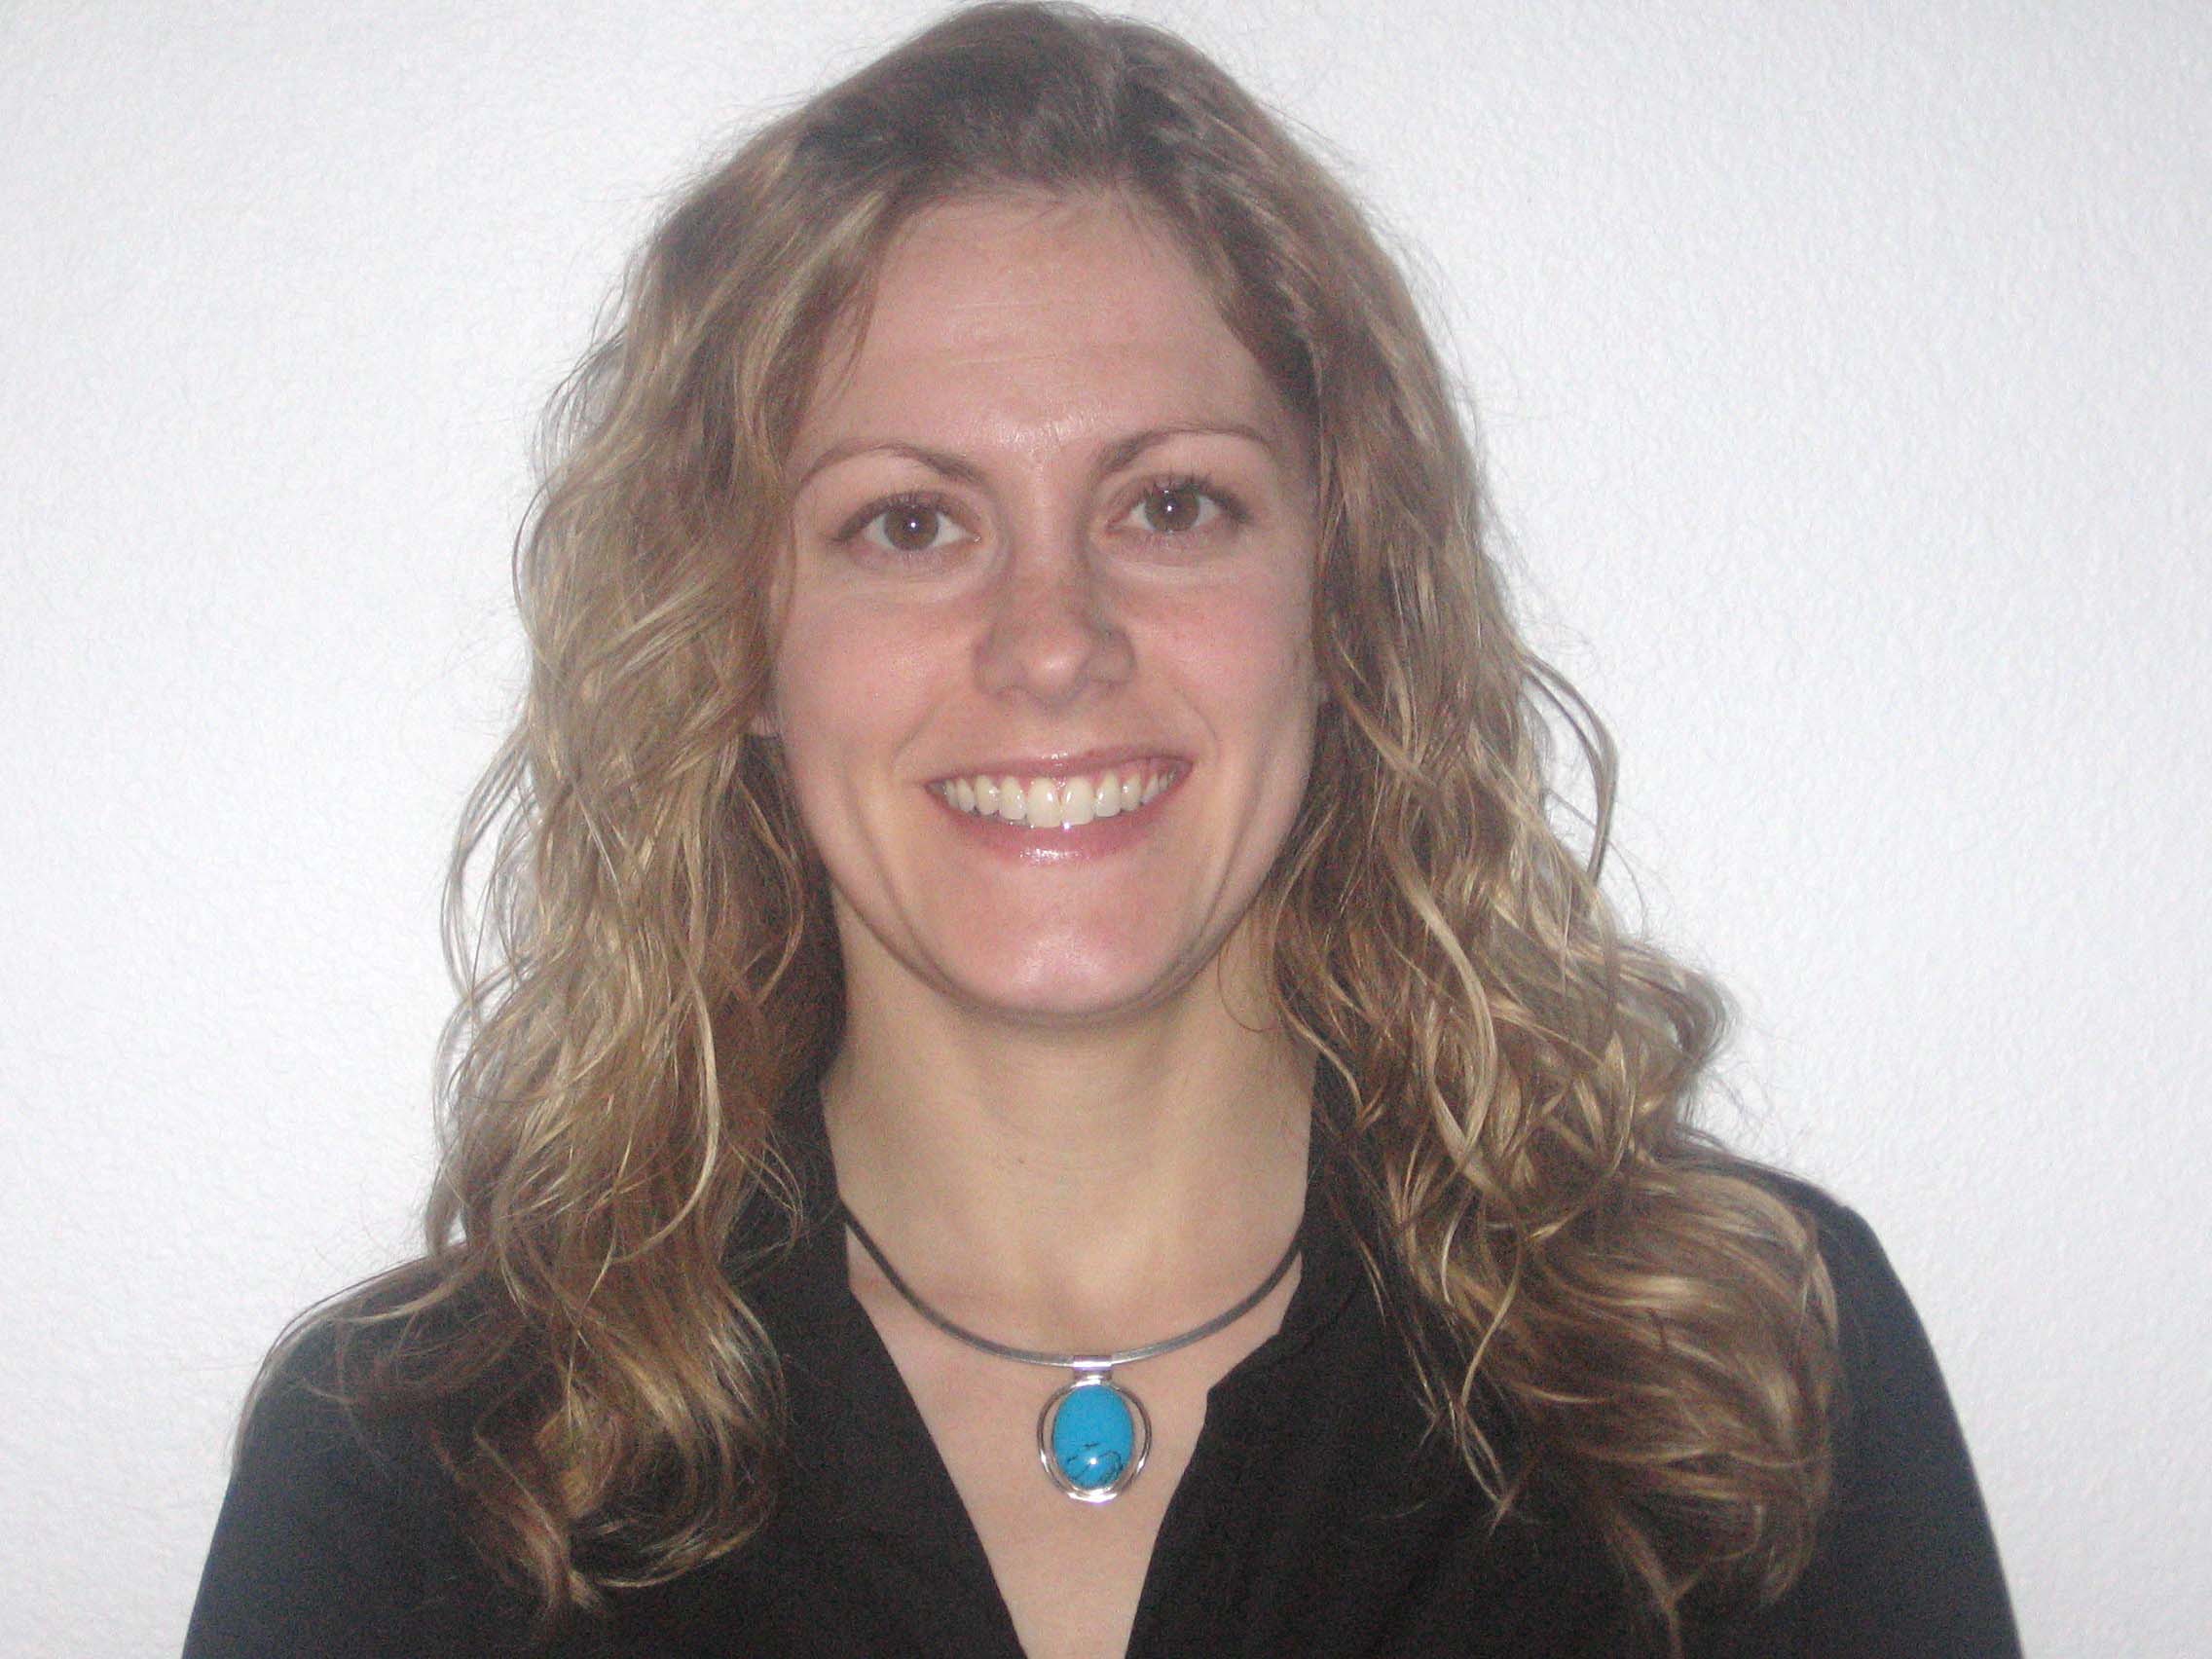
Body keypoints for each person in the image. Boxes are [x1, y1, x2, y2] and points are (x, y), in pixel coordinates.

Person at [183, 6, 2019, 1656]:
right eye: (910, 524)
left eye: (1170, 502)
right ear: (739, 641)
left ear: (1343, 596)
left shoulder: (1736, 1380)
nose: (1053, 642)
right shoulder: (425, 1474)